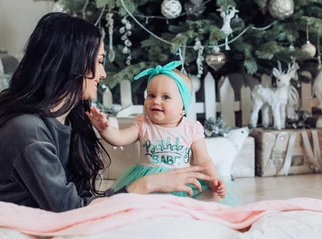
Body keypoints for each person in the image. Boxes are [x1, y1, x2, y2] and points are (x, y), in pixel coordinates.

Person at [0, 13, 217, 212]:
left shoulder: (67, 117)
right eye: (99, 62)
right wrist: (147, 185)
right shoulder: (26, 131)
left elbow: (77, 194)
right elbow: (70, 210)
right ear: (74, 65)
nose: (103, 73)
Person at [87, 61, 226, 201]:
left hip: (181, 181)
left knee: (213, 196)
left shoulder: (191, 128)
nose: (156, 101)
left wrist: (213, 181)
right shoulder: (143, 124)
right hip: (148, 182)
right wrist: (105, 129)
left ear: (183, 107)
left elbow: (203, 160)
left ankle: (186, 211)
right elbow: (120, 138)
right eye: (151, 95)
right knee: (130, 201)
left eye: (165, 97)